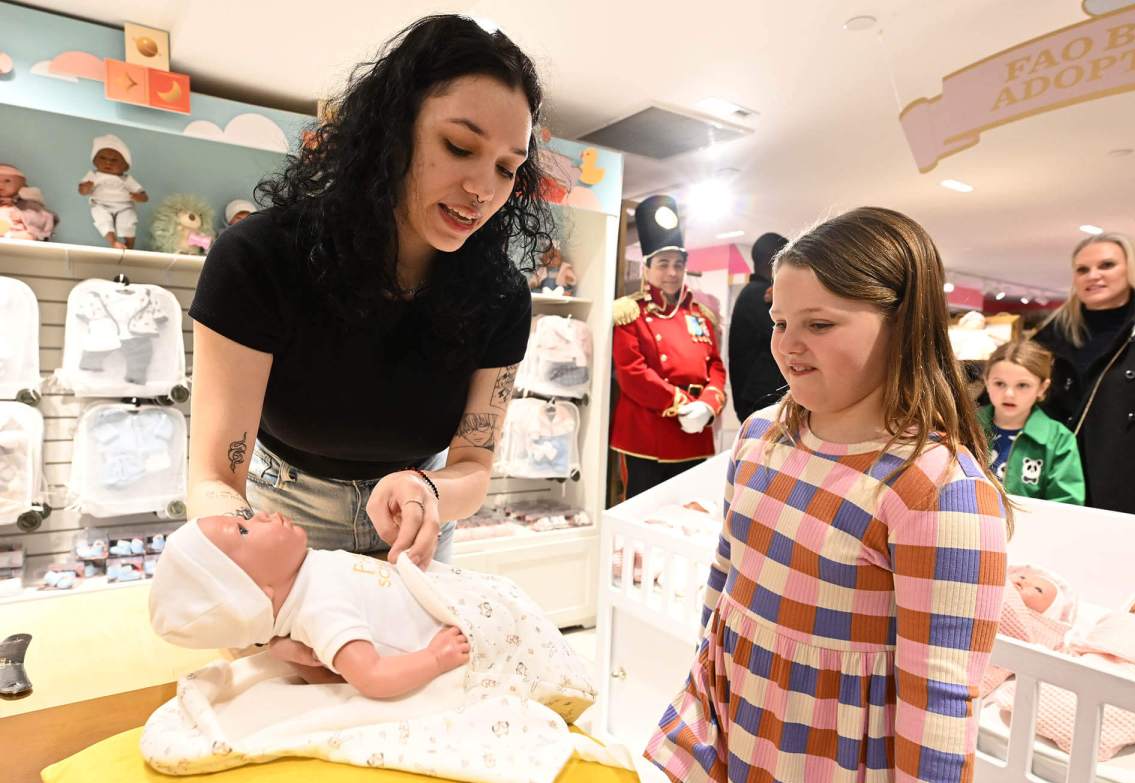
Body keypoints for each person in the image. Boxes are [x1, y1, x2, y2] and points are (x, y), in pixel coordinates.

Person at [646, 207, 1009, 783]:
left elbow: (940, 715)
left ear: (902, 323)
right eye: (780, 322)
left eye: (819, 324)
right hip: (721, 740)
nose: (787, 348)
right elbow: (724, 598)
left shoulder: (936, 491)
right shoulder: (760, 435)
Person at [186, 16, 555, 567]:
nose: (482, 190)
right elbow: (215, 476)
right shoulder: (260, 257)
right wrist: (253, 559)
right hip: (282, 517)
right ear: (391, 129)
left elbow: (474, 466)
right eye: (458, 146)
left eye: (507, 169)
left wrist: (428, 493)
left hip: (419, 522)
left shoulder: (500, 295)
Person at [149, 513, 470, 698]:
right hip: (457, 645)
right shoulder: (319, 607)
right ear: (256, 590)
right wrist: (434, 658)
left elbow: (331, 675)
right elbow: (372, 676)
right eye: (244, 530)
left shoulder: (311, 579)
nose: (262, 515)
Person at [1033, 233, 1135, 521]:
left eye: (1106, 265)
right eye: (1082, 269)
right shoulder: (1051, 338)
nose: (1093, 275)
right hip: (1057, 489)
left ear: (1133, 270)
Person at [610, 195, 727, 500]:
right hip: (647, 435)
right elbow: (633, 374)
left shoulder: (701, 314)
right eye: (663, 264)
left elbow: (715, 365)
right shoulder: (629, 312)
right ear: (647, 267)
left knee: (688, 513)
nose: (672, 272)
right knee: (642, 513)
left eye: (678, 264)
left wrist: (708, 405)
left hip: (695, 432)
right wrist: (683, 402)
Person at [977, 340, 1085, 503]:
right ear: (986, 380)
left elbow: (1067, 505)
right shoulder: (965, 425)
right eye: (1000, 383)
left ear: (1042, 388)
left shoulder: (1059, 440)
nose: (1009, 394)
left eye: (1022, 385)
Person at [728, 231, 788, 420]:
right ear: (775, 262)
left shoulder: (755, 293)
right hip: (761, 402)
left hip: (757, 400)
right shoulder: (760, 296)